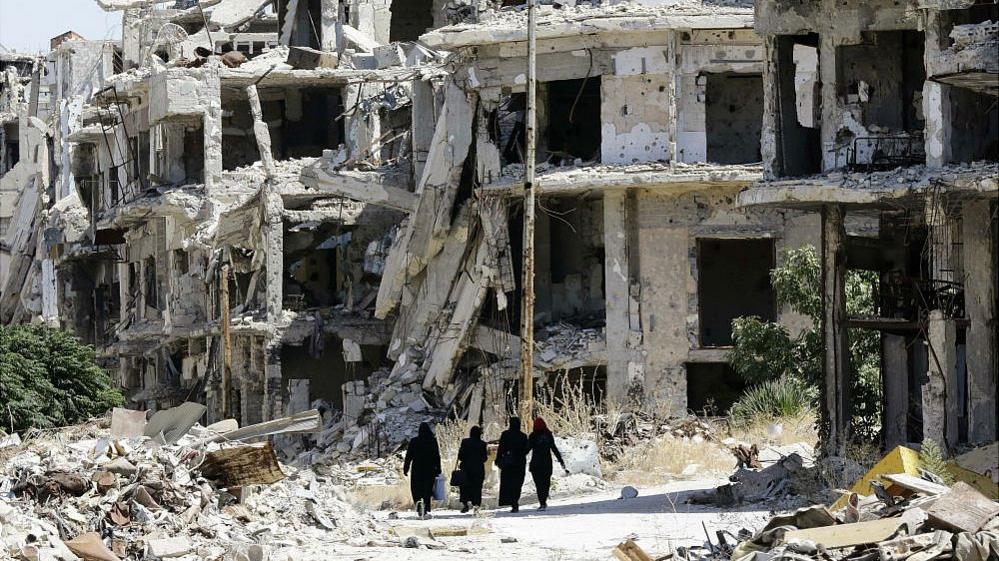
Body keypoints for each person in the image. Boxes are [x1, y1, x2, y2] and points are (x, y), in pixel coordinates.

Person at [403, 422, 441, 518]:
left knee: (416, 489)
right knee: (427, 490)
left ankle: (420, 507)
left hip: (417, 469)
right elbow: (437, 456)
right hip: (430, 469)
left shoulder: (414, 441)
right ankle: (425, 509)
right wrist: (439, 469)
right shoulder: (432, 441)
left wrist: (406, 469)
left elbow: (408, 457)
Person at [528, 417, 567, 511]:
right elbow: (554, 449)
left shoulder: (533, 436)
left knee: (538, 484)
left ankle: (541, 502)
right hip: (547, 463)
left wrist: (518, 456)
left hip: (536, 463)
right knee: (546, 483)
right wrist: (561, 461)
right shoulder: (548, 435)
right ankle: (544, 501)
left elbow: (527, 448)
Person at [495, 417, 529, 513]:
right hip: (520, 463)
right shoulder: (523, 436)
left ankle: (511, 501)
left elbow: (501, 448)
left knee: (508, 482)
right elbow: (526, 449)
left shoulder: (505, 434)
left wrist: (498, 459)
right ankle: (515, 501)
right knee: (517, 483)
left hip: (508, 463)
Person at [456, 425, 488, 513]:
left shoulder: (465, 442)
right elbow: (485, 458)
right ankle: (476, 506)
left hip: (466, 469)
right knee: (477, 488)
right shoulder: (482, 444)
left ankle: (465, 504)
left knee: (465, 487)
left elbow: (460, 456)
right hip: (478, 469)